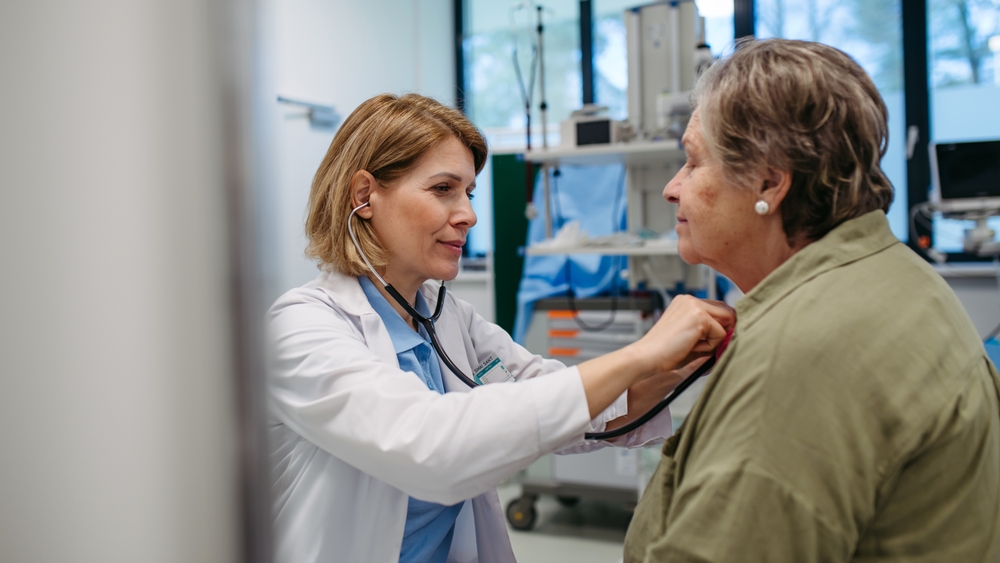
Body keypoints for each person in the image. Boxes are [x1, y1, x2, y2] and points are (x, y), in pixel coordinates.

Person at [266, 93, 735, 563]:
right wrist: (640, 354)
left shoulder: (447, 317)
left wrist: (677, 366)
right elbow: (432, 449)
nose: (468, 214)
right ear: (364, 196)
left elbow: (552, 398)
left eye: (468, 193)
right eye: (443, 189)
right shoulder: (301, 327)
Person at [623, 38, 1000, 562]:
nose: (671, 188)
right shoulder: (896, 277)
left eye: (691, 163)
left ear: (769, 182)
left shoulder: (797, 354)